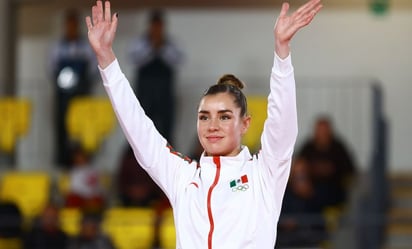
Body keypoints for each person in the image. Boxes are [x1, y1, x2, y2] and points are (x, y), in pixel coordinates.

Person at [85, 0, 322, 248]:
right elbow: (138, 127)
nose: (212, 125)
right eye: (204, 116)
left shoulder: (264, 173)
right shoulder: (182, 176)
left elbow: (282, 126)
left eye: (225, 116)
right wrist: (106, 59)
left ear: (245, 124)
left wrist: (282, 52)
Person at [49, 9, 97, 167]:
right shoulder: (58, 47)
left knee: (83, 128)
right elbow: (51, 68)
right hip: (63, 94)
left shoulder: (86, 46)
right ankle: (63, 161)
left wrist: (84, 83)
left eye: (74, 25)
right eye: (69, 25)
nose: (71, 28)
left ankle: (83, 161)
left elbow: (93, 68)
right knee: (63, 126)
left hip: (82, 92)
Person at [127, 9, 184, 143]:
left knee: (166, 127)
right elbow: (134, 59)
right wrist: (152, 48)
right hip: (145, 92)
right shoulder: (139, 43)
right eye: (154, 26)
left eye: (159, 26)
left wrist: (162, 48)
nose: (157, 29)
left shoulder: (171, 44)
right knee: (143, 126)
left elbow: (178, 60)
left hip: (165, 93)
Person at [297, 116, 357, 208]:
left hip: (333, 190)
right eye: (320, 131)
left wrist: (330, 170)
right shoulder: (308, 148)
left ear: (330, 131)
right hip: (310, 188)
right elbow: (298, 166)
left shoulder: (338, 148)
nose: (322, 134)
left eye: (325, 131)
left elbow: (350, 170)